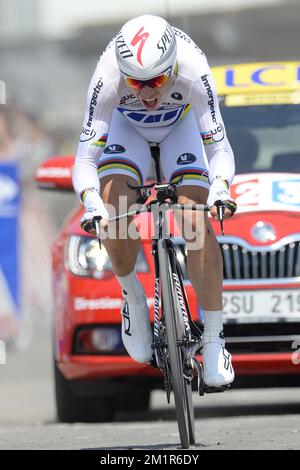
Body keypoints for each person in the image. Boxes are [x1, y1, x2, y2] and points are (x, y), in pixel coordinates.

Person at [72, 15, 236, 388]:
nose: (147, 93)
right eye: (136, 83)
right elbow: (83, 161)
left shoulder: (194, 70)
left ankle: (213, 339)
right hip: (125, 129)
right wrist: (91, 201)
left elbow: (220, 149)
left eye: (158, 82)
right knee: (114, 205)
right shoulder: (107, 76)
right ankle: (133, 299)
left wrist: (221, 187)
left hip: (181, 129)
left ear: (173, 66)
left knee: (194, 220)